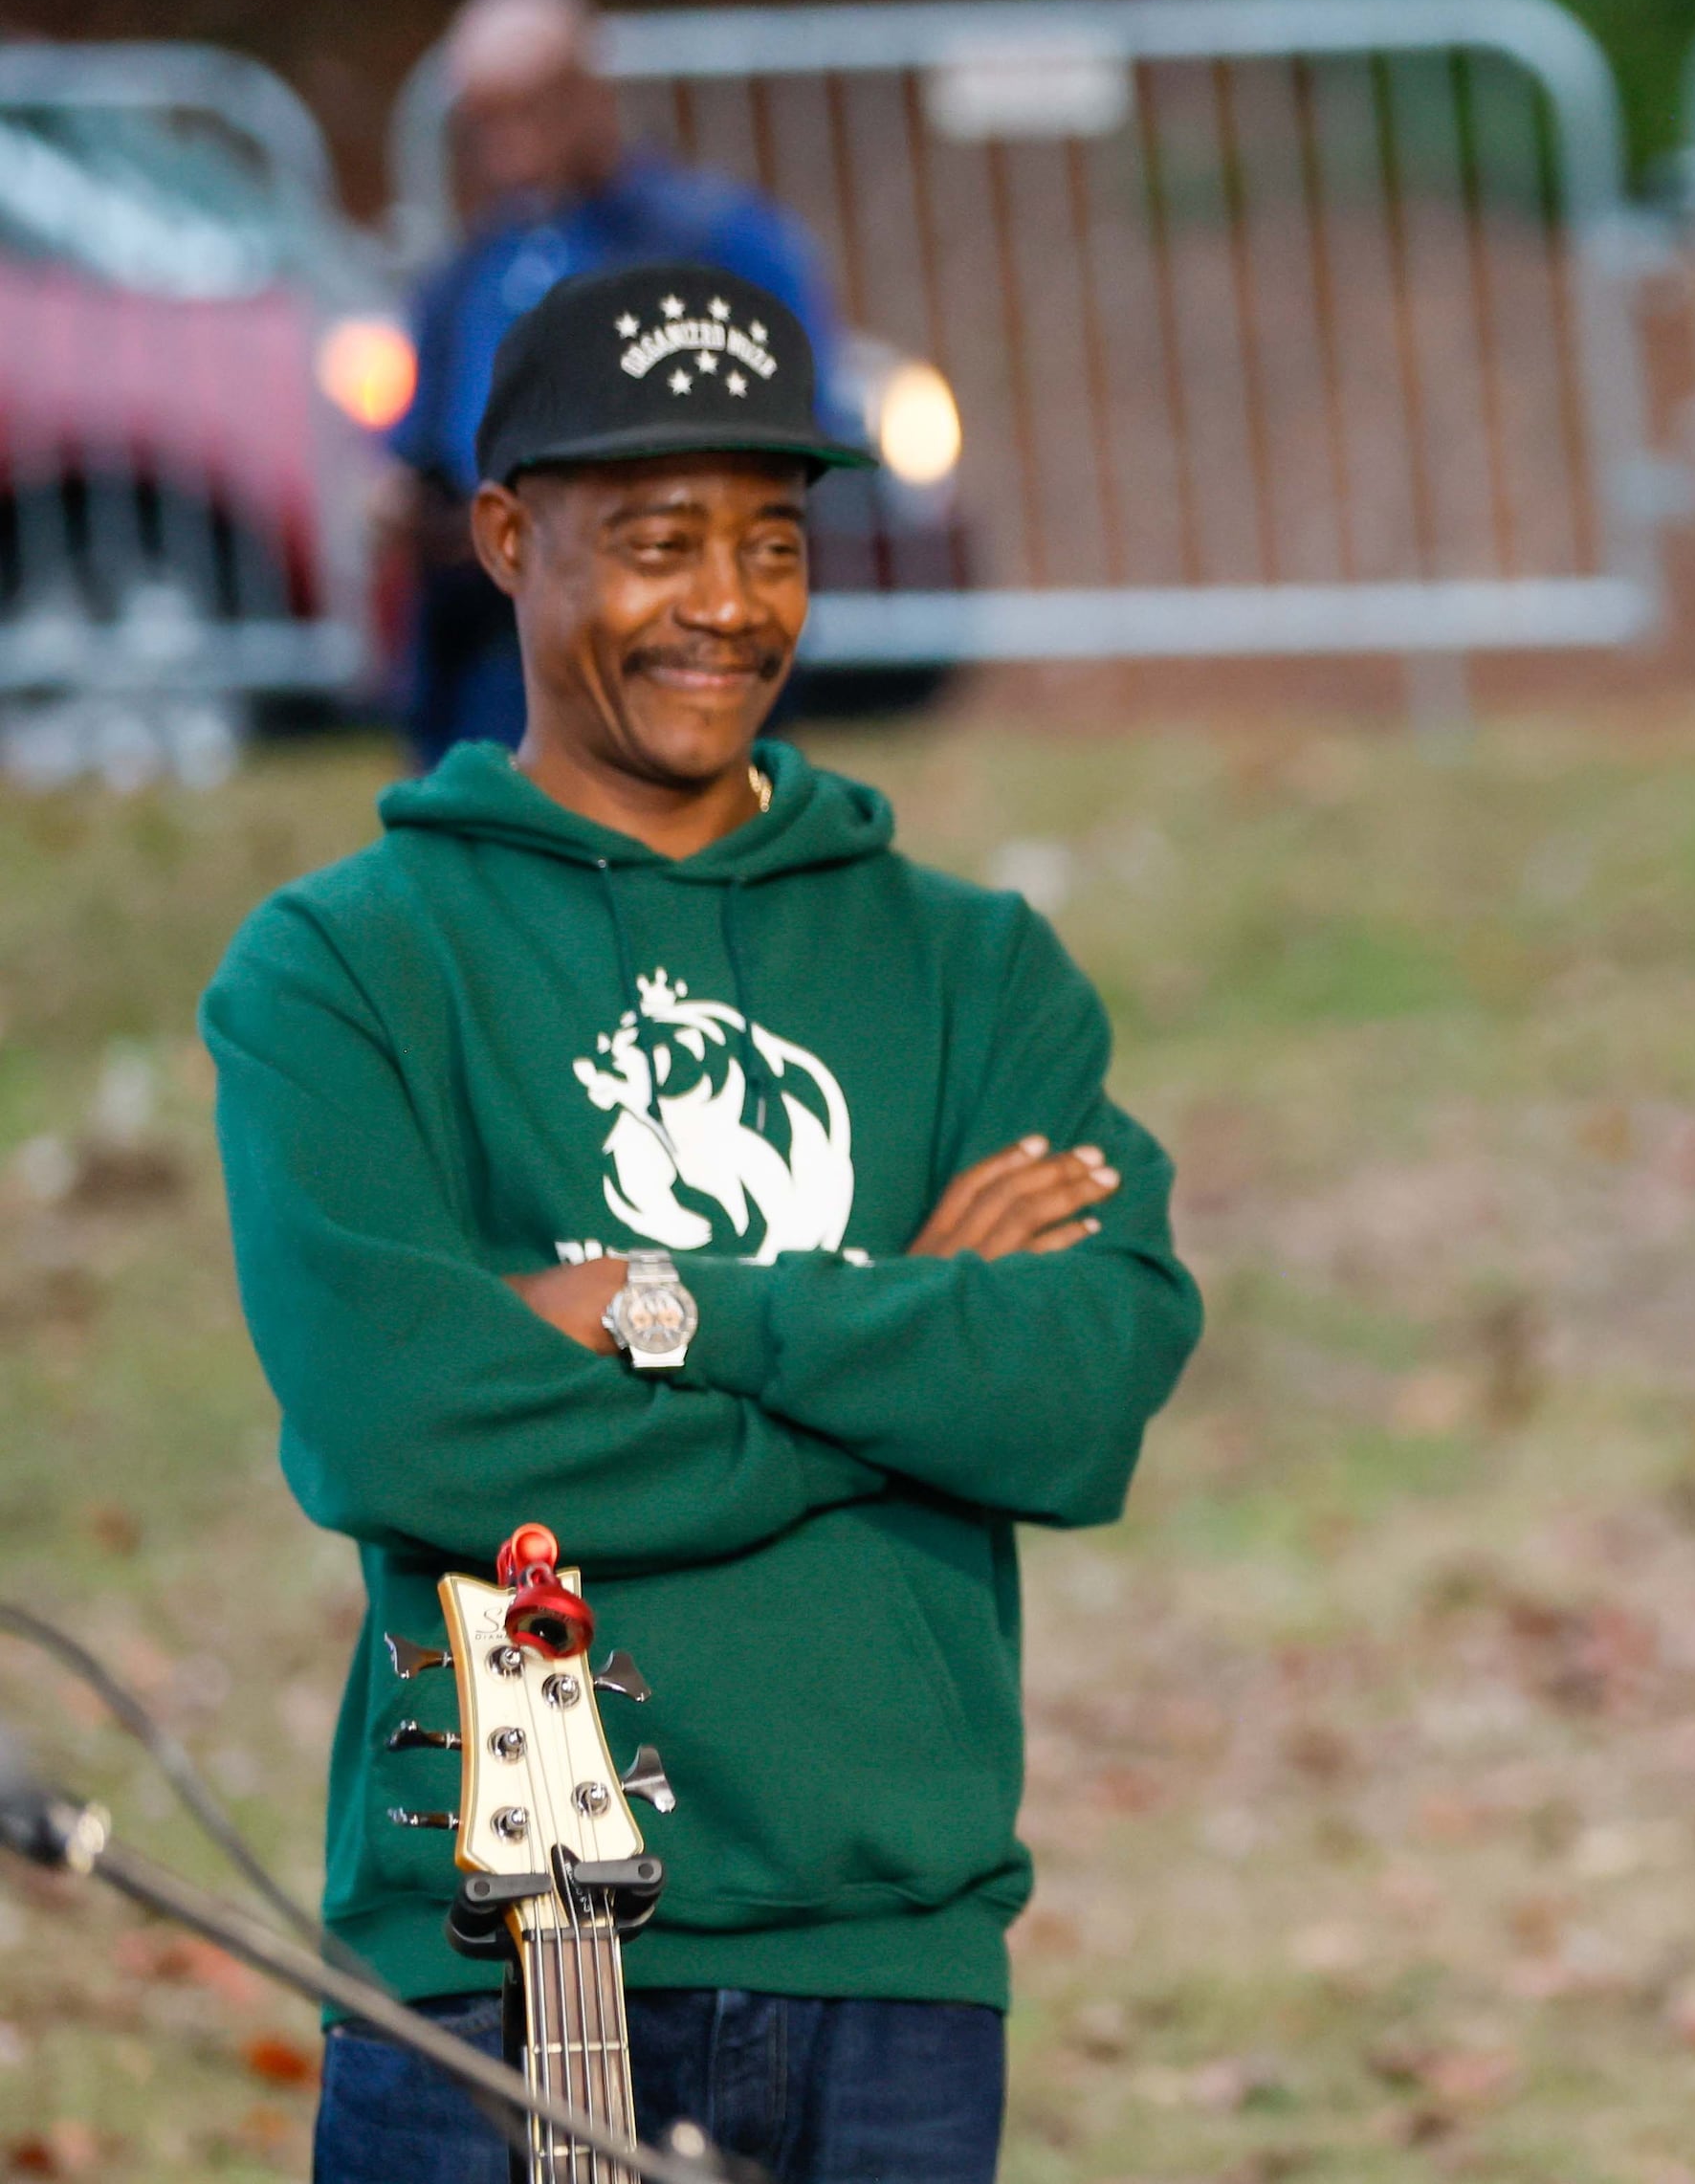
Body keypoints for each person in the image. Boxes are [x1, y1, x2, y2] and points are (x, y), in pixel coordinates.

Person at [205, 260, 1199, 2181]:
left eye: (773, 538)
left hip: (890, 1952)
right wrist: (907, 1332)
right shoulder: (340, 968)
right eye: (659, 540)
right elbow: (404, 1421)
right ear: (506, 538)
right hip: (492, 1951)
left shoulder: (973, 970)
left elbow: (1080, 1392)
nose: (729, 602)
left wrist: (674, 1312)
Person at [380, 0, 845, 763]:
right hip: (499, 635)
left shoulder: (715, 242)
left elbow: (805, 427)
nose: (507, 151)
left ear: (588, 93)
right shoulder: (469, 272)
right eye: (484, 125)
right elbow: (416, 450)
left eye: (528, 112)